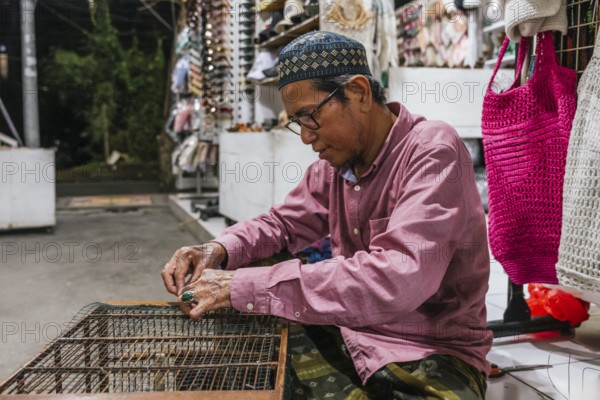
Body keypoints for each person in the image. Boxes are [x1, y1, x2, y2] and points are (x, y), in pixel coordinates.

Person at [162, 31, 492, 399]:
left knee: (253, 291)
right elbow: (282, 224)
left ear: (359, 93)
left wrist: (243, 286)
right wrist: (217, 248)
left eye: (310, 117)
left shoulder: (432, 151)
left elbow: (397, 280)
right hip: (352, 334)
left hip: (427, 352)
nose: (305, 137)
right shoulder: (335, 168)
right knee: (253, 261)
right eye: (297, 122)